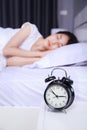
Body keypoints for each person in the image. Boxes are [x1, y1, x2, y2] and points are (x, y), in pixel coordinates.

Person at [0, 22, 78, 69]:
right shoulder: (31, 29)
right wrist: (40, 54)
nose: (54, 42)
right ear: (54, 34)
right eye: (57, 37)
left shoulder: (40, 58)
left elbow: (8, 62)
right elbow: (6, 51)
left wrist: (39, 58)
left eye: (59, 45)